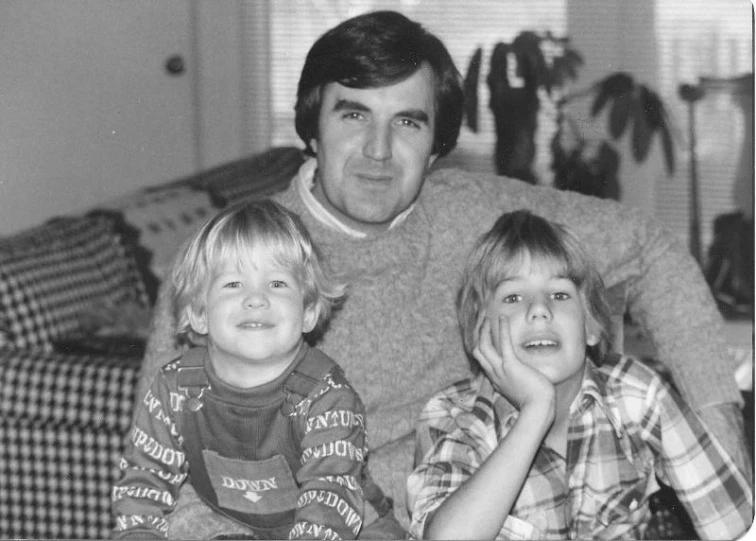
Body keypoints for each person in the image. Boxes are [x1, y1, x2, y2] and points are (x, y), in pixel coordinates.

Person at [141, 10, 750, 533]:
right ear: (312, 128)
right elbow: (166, 476)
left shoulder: (474, 214)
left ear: (436, 147)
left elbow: (649, 247)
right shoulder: (230, 260)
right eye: (353, 115)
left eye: (408, 122)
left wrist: (721, 426)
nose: (378, 150)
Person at [406, 210, 753, 540]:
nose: (540, 310)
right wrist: (536, 410)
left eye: (559, 294)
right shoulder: (453, 416)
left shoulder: (636, 395)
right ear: (481, 331)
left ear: (591, 326)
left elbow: (734, 524)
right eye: (512, 297)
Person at [113, 199, 369, 539]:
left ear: (308, 311)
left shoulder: (327, 398)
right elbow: (143, 483)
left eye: (277, 284)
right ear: (200, 314)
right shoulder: (175, 389)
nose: (256, 298)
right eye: (233, 284)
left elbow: (330, 499)